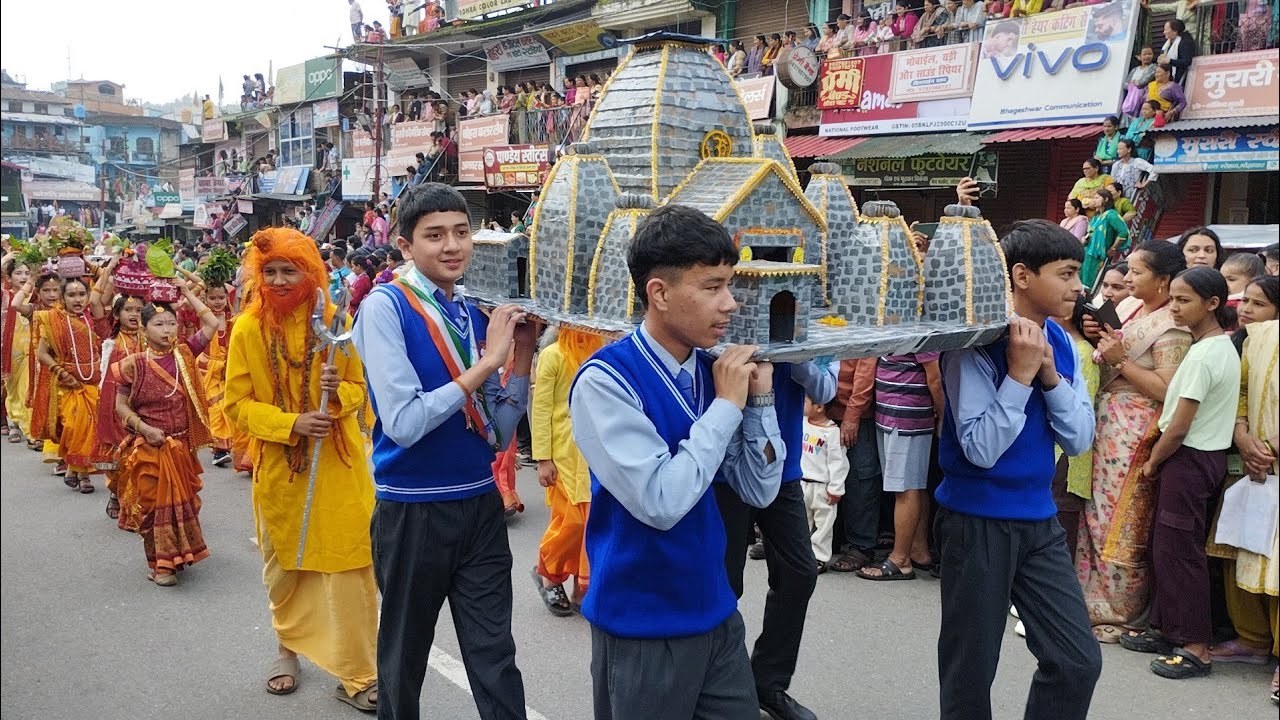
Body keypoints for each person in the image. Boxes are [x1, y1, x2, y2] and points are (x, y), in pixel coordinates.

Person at [569, 203, 784, 720]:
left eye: (729, 285)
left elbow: (760, 490)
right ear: (659, 294)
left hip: (715, 610)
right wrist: (728, 406)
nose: (730, 304)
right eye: (712, 287)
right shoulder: (606, 382)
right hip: (643, 625)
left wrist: (758, 404)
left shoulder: (711, 370)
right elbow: (661, 501)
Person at [352, 183, 534, 720]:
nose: (452, 246)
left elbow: (498, 434)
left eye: (461, 233)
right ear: (406, 246)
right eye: (435, 236)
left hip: (480, 505)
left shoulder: (473, 312)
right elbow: (405, 423)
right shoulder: (385, 308)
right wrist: (488, 361)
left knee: (495, 654)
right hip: (412, 508)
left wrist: (519, 357)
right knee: (404, 657)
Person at [935, 195, 1100, 720]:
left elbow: (1077, 440)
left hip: (1038, 519)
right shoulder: (973, 344)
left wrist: (1048, 375)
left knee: (1077, 661)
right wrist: (1020, 374)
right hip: (976, 521)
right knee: (970, 668)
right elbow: (980, 450)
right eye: (1068, 273)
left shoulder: (1061, 341)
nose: (1080, 286)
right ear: (1022, 276)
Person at [223, 228, 379, 712]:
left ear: (310, 273)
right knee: (285, 567)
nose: (278, 279)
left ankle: (359, 674)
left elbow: (361, 389)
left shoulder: (336, 322)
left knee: (352, 568)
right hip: (282, 471)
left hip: (339, 466)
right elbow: (236, 405)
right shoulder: (248, 329)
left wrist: (338, 394)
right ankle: (286, 649)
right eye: (269, 272)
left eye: (288, 270)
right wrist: (291, 423)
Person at [1119, 267, 1241, 680]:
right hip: (1192, 459)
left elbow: (1180, 425)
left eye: (1184, 300)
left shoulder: (1208, 353)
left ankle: (1195, 646)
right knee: (1165, 547)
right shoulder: (1209, 347)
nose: (1174, 307)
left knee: (1180, 553)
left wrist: (1154, 462)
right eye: (1172, 297)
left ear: (1212, 304)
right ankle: (1167, 628)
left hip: (1189, 459)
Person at [1077, 241, 1190, 641]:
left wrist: (1119, 359)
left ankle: (1122, 613)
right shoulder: (1128, 308)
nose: (1127, 278)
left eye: (1137, 272)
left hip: (1135, 430)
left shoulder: (1172, 327)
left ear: (1163, 280)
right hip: (1107, 426)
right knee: (1093, 516)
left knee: (1120, 522)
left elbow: (1167, 389)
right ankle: (1086, 603)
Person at [113, 287, 222, 586]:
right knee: (152, 505)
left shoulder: (185, 354)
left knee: (183, 503)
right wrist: (143, 427)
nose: (167, 329)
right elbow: (119, 405)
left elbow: (211, 324)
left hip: (181, 445)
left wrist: (186, 290)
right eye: (159, 325)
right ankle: (161, 566)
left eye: (171, 323)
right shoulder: (133, 364)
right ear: (144, 329)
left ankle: (179, 555)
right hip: (148, 445)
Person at [1207, 274, 1278, 701]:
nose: (1246, 310)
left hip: (1268, 459)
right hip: (1251, 463)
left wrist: (1266, 446)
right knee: (1239, 549)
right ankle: (1251, 640)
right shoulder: (1250, 343)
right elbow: (1244, 392)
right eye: (1245, 301)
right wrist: (1244, 436)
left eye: (1259, 304)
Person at [530, 327, 604, 616]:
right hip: (563, 453)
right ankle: (547, 572)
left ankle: (582, 589)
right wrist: (543, 458)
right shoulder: (552, 355)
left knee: (592, 523)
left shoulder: (603, 352)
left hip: (595, 452)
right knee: (570, 523)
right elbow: (542, 409)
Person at [857, 351, 944, 581]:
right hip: (893, 415)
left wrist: (943, 416)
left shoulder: (922, 326)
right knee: (913, 484)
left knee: (905, 489)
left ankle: (900, 560)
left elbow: (934, 378)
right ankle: (918, 549)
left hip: (906, 418)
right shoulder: (902, 321)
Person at [33, 277, 106, 494]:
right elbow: (42, 354)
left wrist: (110, 266)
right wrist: (63, 373)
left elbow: (102, 293)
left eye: (82, 294)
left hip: (92, 383)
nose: (78, 299)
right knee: (74, 429)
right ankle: (79, 471)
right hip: (68, 385)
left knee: (90, 430)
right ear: (63, 299)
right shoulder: (54, 320)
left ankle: (79, 473)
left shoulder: (93, 319)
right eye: (71, 295)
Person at [799, 397, 846, 574]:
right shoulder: (802, 423)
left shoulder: (832, 432)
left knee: (824, 524)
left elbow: (837, 462)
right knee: (802, 521)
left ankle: (819, 557)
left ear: (819, 407)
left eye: (805, 402)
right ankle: (802, 554)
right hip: (802, 482)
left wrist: (836, 488)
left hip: (822, 486)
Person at [3, 257, 34, 446]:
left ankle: (29, 428)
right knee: (11, 385)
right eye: (18, 273)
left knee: (28, 385)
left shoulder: (36, 295)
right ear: (9, 276)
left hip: (31, 345)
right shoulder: (4, 294)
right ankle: (12, 421)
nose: (23, 276)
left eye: (27, 273)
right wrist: (6, 258)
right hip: (10, 345)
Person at [1081, 190, 1129, 291]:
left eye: (1097, 198)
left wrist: (1113, 248)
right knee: (1082, 281)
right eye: (1094, 198)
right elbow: (1091, 233)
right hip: (1088, 252)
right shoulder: (1096, 217)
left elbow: (1123, 232)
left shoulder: (1111, 214)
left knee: (1090, 284)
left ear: (1106, 199)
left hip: (1098, 256)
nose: (1094, 200)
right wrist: (1085, 239)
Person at [1158, 18, 1197, 84]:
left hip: (1182, 80)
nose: (1164, 32)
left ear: (1175, 31)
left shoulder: (1185, 42)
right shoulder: (1167, 44)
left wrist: (1170, 61)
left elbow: (1187, 61)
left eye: (1166, 30)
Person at [1123, 47, 1157, 120]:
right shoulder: (1134, 70)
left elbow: (1143, 82)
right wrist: (1135, 83)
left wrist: (1133, 83)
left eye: (1150, 54)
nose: (1147, 56)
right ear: (1139, 57)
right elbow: (1125, 85)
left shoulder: (1154, 67)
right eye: (1144, 54)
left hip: (1145, 99)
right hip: (1131, 99)